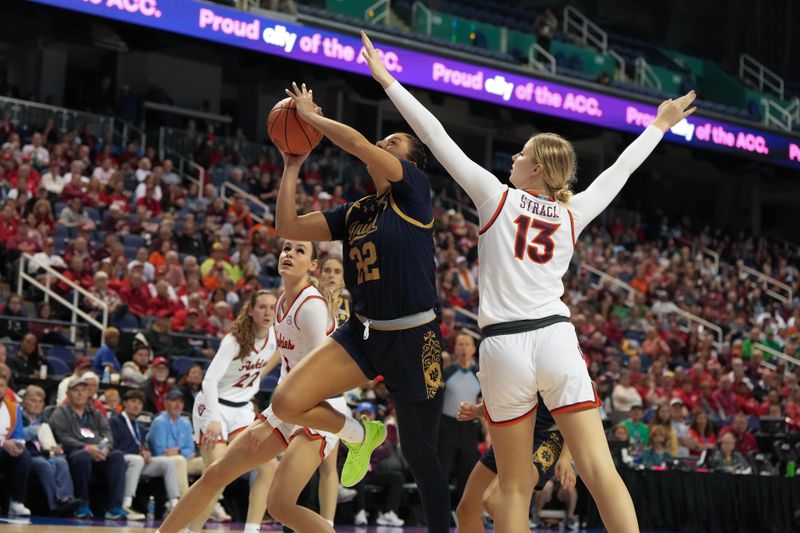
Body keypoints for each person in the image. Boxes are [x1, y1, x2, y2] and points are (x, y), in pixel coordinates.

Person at [361, 30, 697, 533]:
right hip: (555, 336)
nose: (513, 159)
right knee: (599, 470)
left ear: (536, 167)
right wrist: (658, 124)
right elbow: (622, 169)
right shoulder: (573, 211)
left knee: (514, 487)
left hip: (502, 348)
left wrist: (388, 79)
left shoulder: (494, 196)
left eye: (520, 154)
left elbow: (433, 135)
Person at [270, 81, 449, 533]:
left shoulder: (415, 190)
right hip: (364, 333)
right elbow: (287, 225)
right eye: (382, 141)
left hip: (415, 338)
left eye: (393, 144)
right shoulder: (355, 212)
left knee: (420, 453)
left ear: (407, 162)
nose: (382, 147)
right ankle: (360, 433)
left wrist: (310, 118)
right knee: (287, 401)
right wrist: (292, 165)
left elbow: (355, 143)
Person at [157, 240, 345, 533]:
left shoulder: (311, 308)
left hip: (315, 410)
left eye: (299, 251)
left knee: (281, 505)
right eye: (286, 248)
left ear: (312, 266)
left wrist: (275, 417)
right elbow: (288, 368)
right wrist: (272, 416)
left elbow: (315, 378)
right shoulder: (283, 301)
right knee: (215, 473)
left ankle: (358, 435)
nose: (289, 254)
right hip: (286, 406)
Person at [186, 290, 279, 533]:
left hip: (242, 410)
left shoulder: (275, 337)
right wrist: (214, 419)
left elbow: (279, 354)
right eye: (262, 307)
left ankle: (251, 529)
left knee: (269, 467)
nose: (268, 312)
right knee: (217, 478)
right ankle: (190, 530)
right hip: (213, 406)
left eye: (272, 307)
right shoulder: (234, 341)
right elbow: (208, 381)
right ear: (251, 311)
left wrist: (259, 376)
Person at [455, 398, 574, 533]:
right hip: (511, 432)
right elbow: (511, 394)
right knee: (467, 512)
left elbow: (576, 403)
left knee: (496, 502)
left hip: (546, 436)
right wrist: (478, 410)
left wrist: (566, 456)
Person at [49, 375, 128, 519]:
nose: (80, 394)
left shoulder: (95, 413)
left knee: (117, 456)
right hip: (74, 454)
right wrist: (86, 447)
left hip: (99, 452)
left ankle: (115, 507)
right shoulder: (60, 413)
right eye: (75, 390)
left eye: (83, 390)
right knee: (82, 457)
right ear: (68, 394)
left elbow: (107, 433)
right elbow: (63, 438)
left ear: (88, 394)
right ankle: (82, 505)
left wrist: (107, 447)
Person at [109, 389, 182, 519]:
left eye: (139, 403)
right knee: (137, 460)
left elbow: (142, 446)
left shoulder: (140, 427)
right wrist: (139, 453)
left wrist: (146, 452)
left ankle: (174, 505)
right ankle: (126, 505)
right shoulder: (114, 421)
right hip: (121, 460)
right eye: (132, 401)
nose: (136, 405)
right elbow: (114, 447)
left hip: (138, 461)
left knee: (168, 462)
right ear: (125, 403)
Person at [21, 384, 81, 517]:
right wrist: (33, 430)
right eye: (33, 401)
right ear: (25, 402)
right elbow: (16, 434)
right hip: (28, 454)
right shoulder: (19, 417)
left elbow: (56, 439)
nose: (37, 404)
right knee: (43, 465)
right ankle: (54, 505)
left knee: (61, 461)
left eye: (40, 401)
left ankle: (66, 499)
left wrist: (57, 447)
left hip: (46, 453)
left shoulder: (45, 420)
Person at [439, 332, 482, 503]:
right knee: (443, 471)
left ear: (473, 349)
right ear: (455, 348)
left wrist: (487, 433)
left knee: (467, 473)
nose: (463, 347)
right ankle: (439, 513)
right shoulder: (447, 372)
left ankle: (463, 513)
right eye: (460, 344)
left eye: (466, 344)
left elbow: (483, 402)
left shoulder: (480, 375)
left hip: (470, 427)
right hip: (447, 426)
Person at [0, 374, 33, 517]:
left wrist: (17, 446)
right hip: (2, 446)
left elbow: (19, 435)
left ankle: (17, 502)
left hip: (5, 451)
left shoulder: (13, 408)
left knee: (24, 455)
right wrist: (3, 443)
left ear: (6, 388)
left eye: (1, 386)